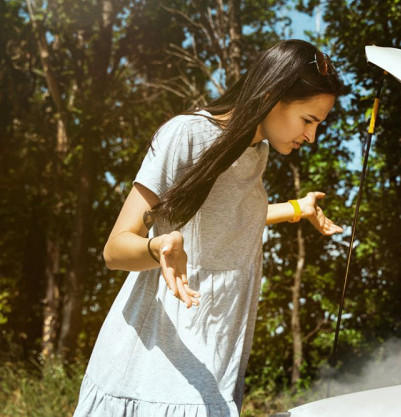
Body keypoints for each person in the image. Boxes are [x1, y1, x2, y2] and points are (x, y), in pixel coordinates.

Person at [73, 40, 345, 416]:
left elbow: (226, 218)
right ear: (271, 95)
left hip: (215, 356)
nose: (312, 137)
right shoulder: (185, 135)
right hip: (155, 362)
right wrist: (158, 248)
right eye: (308, 120)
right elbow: (115, 249)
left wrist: (298, 208)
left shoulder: (256, 152)